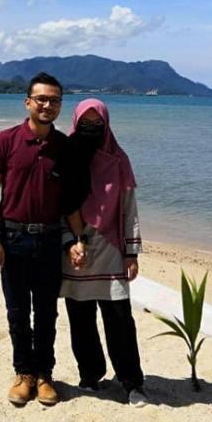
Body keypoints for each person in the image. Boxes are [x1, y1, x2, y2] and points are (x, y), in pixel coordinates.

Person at [0, 72, 81, 407]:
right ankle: (23, 374)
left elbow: (70, 201)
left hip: (50, 240)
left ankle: (44, 375)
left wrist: (78, 238)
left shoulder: (64, 147)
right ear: (27, 102)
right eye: (41, 99)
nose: (47, 105)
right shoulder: (6, 141)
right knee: (16, 311)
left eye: (54, 100)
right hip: (12, 239)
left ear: (60, 106)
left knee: (46, 313)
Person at [61, 98, 147, 406]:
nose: (92, 129)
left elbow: (128, 209)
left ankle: (131, 382)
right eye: (86, 124)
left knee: (120, 320)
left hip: (111, 248)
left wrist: (132, 253)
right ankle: (90, 376)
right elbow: (56, 204)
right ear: (76, 122)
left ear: (107, 125)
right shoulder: (66, 154)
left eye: (98, 125)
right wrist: (69, 242)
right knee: (80, 319)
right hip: (75, 249)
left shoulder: (118, 160)